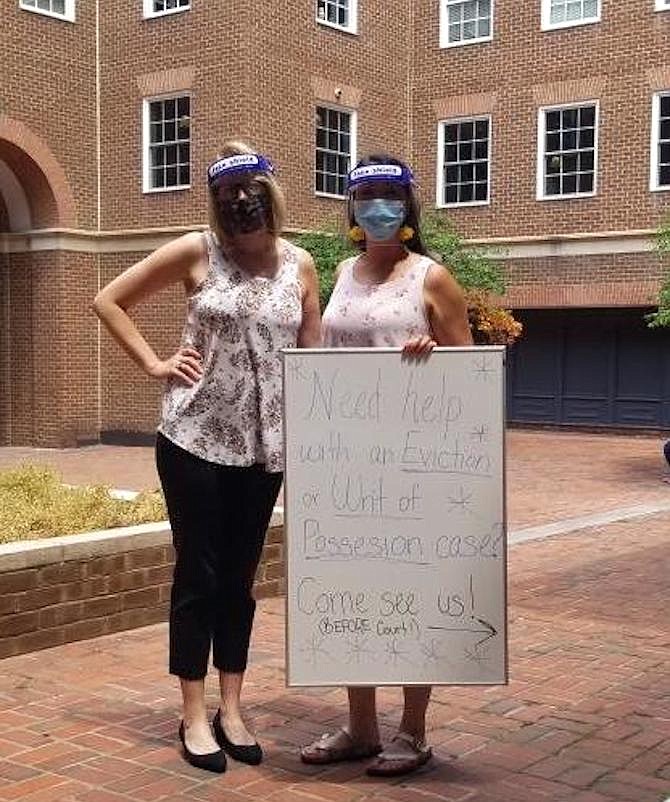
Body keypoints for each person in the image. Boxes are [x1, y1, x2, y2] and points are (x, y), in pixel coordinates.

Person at [93, 142, 321, 773]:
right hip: (194, 439)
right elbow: (109, 299)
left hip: (264, 449)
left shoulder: (301, 266)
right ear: (218, 205)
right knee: (199, 572)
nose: (241, 203)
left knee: (240, 581)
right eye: (228, 197)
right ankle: (192, 712)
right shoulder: (199, 250)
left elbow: (312, 359)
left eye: (250, 190)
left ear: (270, 192)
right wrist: (154, 363)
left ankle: (233, 707)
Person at [300, 154, 473, 777]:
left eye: (390, 195)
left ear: (407, 206)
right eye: (367, 194)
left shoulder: (432, 277)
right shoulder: (341, 271)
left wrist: (433, 354)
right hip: (345, 460)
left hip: (414, 460)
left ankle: (413, 730)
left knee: (412, 588)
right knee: (354, 588)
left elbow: (470, 375)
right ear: (351, 206)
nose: (378, 206)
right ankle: (362, 725)